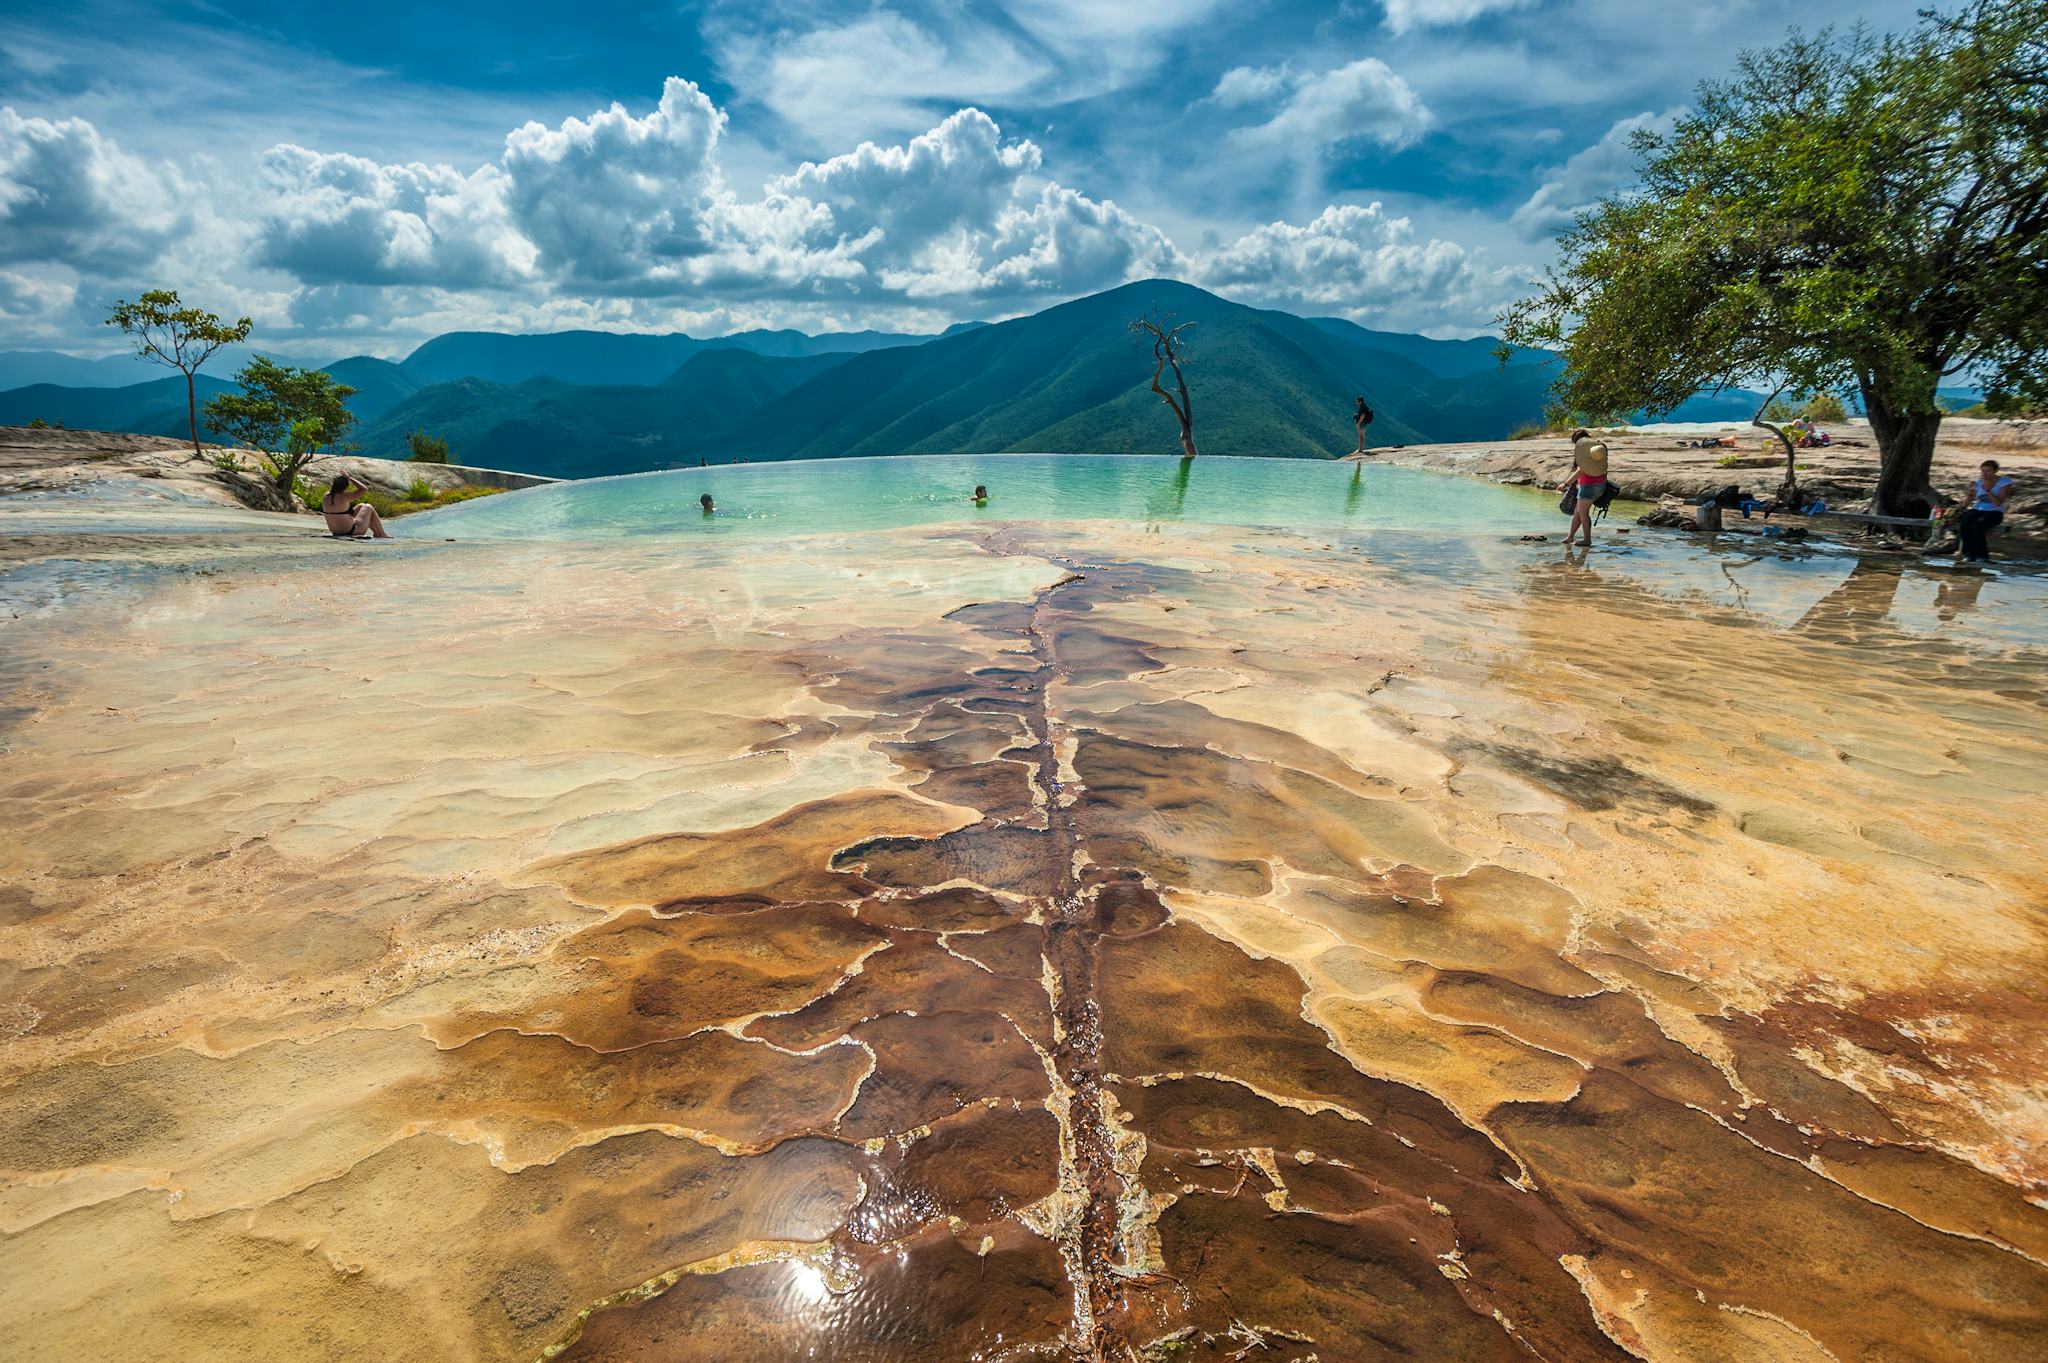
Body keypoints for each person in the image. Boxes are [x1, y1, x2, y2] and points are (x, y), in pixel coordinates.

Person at [1560, 429, 1609, 548]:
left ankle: (1587, 539)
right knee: (1578, 512)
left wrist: (1566, 484)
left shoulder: (1589, 452)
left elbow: (1581, 470)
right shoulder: (1598, 448)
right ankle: (1570, 536)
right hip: (1598, 484)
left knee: (1583, 513)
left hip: (1589, 486)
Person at [1957, 459, 2012, 562]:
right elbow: (1966, 504)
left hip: (1995, 513)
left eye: (1988, 471)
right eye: (1982, 471)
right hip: (1978, 510)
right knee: (1965, 521)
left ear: (1995, 471)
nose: (1984, 474)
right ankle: (1969, 555)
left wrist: (1987, 490)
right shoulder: (1978, 482)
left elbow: (1998, 503)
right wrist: (1968, 495)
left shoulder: (2004, 482)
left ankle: (1982, 556)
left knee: (1977, 525)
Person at [321, 474, 389, 539]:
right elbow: (364, 489)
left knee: (361, 506)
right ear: (345, 487)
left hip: (335, 532)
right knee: (368, 507)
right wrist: (349, 478)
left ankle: (376, 533)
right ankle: (382, 533)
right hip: (352, 532)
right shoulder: (345, 496)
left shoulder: (326, 496)